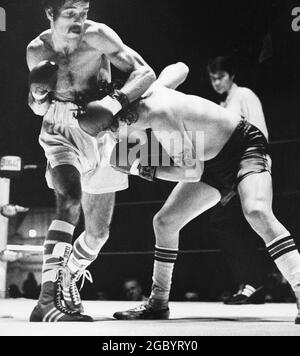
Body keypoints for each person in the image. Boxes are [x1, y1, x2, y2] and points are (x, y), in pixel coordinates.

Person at [96, 62, 300, 324]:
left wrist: (141, 169)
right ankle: (157, 302)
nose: (113, 136)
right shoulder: (146, 96)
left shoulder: (158, 114)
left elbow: (191, 172)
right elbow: (181, 67)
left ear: (122, 117)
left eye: (111, 130)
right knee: (165, 222)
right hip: (209, 159)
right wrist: (155, 83)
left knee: (257, 211)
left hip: (243, 147)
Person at [26, 0, 155, 322]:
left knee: (98, 233)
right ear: (51, 14)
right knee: (68, 200)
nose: (79, 21)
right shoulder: (37, 50)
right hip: (59, 133)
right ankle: (46, 300)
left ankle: (68, 275)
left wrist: (114, 103)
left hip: (102, 132)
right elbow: (38, 105)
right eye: (70, 13)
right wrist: (38, 94)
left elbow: (146, 73)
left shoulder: (98, 36)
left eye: (83, 11)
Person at [206, 55, 269, 304]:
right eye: (212, 78)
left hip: (248, 167)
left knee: (230, 223)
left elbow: (258, 132)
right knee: (227, 224)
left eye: (220, 76)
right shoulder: (222, 105)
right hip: (228, 172)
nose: (216, 82)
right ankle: (252, 283)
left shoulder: (244, 95)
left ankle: (254, 282)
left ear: (232, 76)